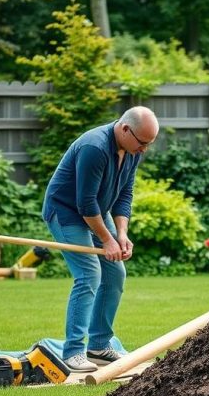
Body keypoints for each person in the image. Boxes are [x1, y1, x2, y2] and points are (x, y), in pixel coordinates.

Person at [42, 106, 159, 373]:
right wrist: (106, 241)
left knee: (115, 272)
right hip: (65, 212)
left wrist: (121, 235)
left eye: (149, 144)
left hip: (97, 211)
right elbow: (85, 203)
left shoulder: (132, 151)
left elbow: (125, 194)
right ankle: (72, 352)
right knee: (88, 274)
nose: (144, 150)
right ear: (125, 129)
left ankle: (98, 345)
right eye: (142, 143)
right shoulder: (94, 147)